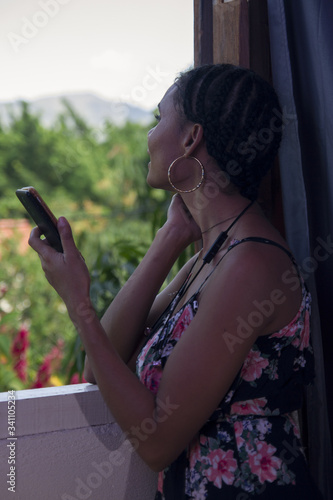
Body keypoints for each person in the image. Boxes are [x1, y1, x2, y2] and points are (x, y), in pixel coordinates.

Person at [29, 64, 323, 499]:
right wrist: (170, 238)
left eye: (157, 119)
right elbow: (99, 365)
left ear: (191, 138)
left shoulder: (249, 265)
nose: (148, 137)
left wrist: (78, 302)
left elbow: (157, 442)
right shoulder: (214, 253)